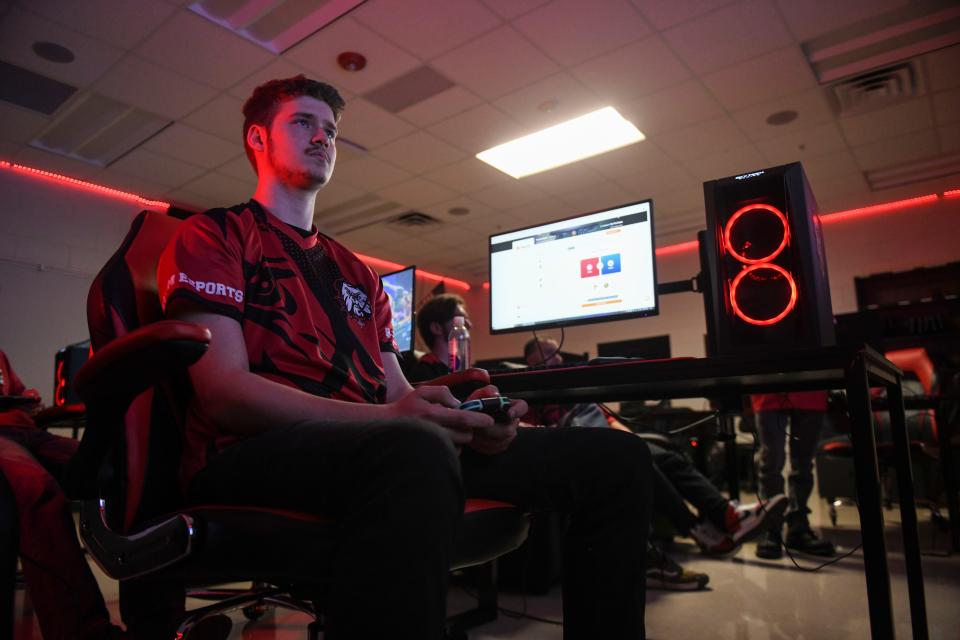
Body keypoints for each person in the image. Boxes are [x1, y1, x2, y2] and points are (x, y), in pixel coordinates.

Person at [155, 75, 652, 639]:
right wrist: (395, 421)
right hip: (252, 452)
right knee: (411, 446)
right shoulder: (214, 234)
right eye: (303, 123)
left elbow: (396, 394)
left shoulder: (359, 275)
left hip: (380, 444)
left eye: (331, 130)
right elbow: (224, 395)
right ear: (258, 139)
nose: (323, 138)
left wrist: (465, 418)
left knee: (615, 460)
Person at [0, 349, 126, 640]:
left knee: (125, 467)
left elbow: (19, 394)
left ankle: (154, 618)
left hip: (29, 430)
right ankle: (84, 632)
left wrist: (29, 399)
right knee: (36, 489)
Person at [751, 392, 836, 559]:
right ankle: (771, 527)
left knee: (803, 463)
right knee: (771, 460)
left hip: (811, 389)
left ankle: (798, 527)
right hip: (768, 387)